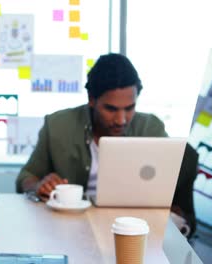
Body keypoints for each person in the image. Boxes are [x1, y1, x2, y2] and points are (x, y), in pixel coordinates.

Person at [15, 53, 197, 238]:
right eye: (111, 109)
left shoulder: (151, 127)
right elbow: (26, 177)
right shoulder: (58, 125)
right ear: (92, 99)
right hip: (70, 227)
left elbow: (168, 179)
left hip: (132, 227)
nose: (121, 120)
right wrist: (38, 185)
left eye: (129, 108)